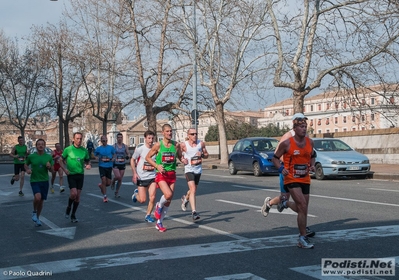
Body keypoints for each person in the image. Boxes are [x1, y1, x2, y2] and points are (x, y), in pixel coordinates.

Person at [261, 113, 315, 238]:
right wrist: (282, 168)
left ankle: (303, 227)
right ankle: (269, 203)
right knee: (286, 197)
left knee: (303, 206)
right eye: (300, 124)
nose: (303, 127)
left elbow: (312, 154)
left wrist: (311, 165)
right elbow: (276, 155)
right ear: (294, 125)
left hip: (304, 177)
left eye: (305, 125)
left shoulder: (307, 139)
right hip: (288, 174)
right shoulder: (287, 138)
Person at [145, 123, 183, 232]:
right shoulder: (158, 145)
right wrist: (157, 165)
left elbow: (179, 156)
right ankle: (158, 206)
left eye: (171, 131)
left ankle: (159, 222)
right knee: (168, 194)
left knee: (169, 200)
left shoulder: (176, 145)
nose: (169, 133)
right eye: (167, 131)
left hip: (172, 173)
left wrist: (183, 160)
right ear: (163, 133)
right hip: (161, 174)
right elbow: (148, 157)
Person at [59, 132, 91, 223]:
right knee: (73, 193)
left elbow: (88, 161)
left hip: (80, 175)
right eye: (77, 138)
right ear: (73, 139)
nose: (79, 140)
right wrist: (65, 170)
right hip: (71, 174)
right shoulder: (68, 150)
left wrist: (88, 165)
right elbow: (60, 160)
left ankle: (73, 214)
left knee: (78, 197)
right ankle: (69, 207)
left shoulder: (84, 151)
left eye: (80, 138)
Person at [180, 128, 209, 221]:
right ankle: (194, 212)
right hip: (189, 169)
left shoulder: (201, 144)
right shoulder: (184, 145)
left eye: (196, 133)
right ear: (188, 135)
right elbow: (178, 154)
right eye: (192, 134)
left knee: (193, 190)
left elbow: (207, 155)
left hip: (198, 170)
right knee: (193, 189)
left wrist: (202, 154)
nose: (194, 135)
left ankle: (185, 198)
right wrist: (182, 159)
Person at [24, 139, 54, 227]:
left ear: (44, 146)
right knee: (37, 197)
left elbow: (52, 170)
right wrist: (28, 170)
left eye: (42, 144)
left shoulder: (48, 157)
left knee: (41, 201)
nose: (40, 146)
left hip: (44, 180)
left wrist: (49, 167)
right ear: (36, 146)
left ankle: (37, 217)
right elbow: (25, 164)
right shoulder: (32, 156)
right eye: (39, 144)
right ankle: (34, 211)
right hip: (35, 180)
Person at [131, 131, 157, 223]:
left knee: (153, 197)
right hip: (142, 177)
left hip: (152, 176)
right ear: (145, 138)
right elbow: (132, 160)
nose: (151, 140)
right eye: (149, 138)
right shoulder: (140, 149)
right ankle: (136, 194)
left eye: (152, 138)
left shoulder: (156, 149)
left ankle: (148, 215)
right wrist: (134, 173)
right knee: (142, 200)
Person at [94, 135, 115, 203]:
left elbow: (114, 154)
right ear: (101, 141)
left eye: (105, 140)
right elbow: (94, 154)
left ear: (107, 140)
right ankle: (105, 196)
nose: (104, 141)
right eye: (102, 140)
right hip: (102, 166)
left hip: (109, 166)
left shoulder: (111, 148)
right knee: (103, 180)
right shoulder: (99, 148)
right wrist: (96, 157)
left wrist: (113, 158)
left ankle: (102, 186)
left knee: (108, 183)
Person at [111, 133, 131, 198]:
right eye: (118, 137)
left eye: (121, 137)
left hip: (122, 164)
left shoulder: (125, 146)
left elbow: (128, 153)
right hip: (115, 164)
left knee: (120, 179)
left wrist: (128, 156)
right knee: (118, 177)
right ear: (117, 138)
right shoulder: (114, 146)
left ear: (122, 138)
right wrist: (112, 158)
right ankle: (113, 181)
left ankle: (116, 192)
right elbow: (110, 153)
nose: (119, 139)